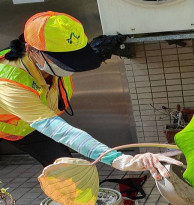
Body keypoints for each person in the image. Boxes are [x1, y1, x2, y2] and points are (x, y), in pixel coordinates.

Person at [0, 11, 182, 180]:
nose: (68, 67)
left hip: (27, 125)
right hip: (14, 123)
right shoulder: (10, 82)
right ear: (31, 50)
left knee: (68, 169)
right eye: (61, 61)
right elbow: (57, 129)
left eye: (74, 58)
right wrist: (120, 161)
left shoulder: (47, 62)